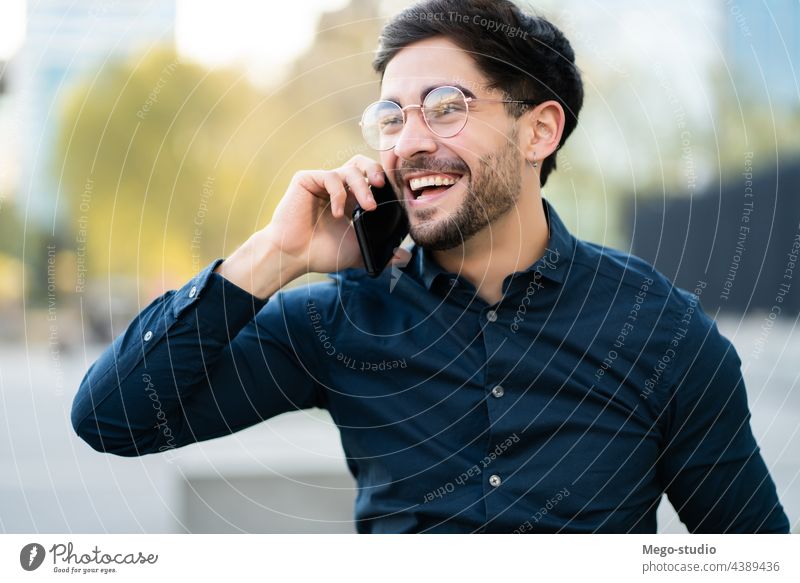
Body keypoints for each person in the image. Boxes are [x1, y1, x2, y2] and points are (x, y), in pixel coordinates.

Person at [71, 0, 790, 534]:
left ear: (539, 129)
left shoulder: (663, 331)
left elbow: (753, 556)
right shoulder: (342, 318)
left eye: (445, 107)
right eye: (391, 117)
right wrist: (276, 253)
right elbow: (112, 418)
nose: (410, 141)